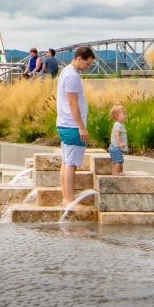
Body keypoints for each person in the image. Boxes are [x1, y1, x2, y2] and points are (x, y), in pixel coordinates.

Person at [56, 46, 95, 207]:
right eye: (88, 64)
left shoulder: (66, 71)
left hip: (64, 124)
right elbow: (73, 104)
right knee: (71, 164)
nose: (88, 67)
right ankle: (70, 200)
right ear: (79, 58)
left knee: (66, 162)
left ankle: (66, 198)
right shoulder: (72, 77)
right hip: (72, 126)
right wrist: (82, 127)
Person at [108, 104, 128, 176]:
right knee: (119, 160)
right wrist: (120, 143)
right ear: (117, 116)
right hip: (116, 147)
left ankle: (114, 172)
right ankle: (116, 172)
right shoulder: (118, 125)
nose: (125, 115)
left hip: (114, 147)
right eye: (124, 114)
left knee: (115, 161)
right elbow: (117, 135)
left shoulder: (117, 124)